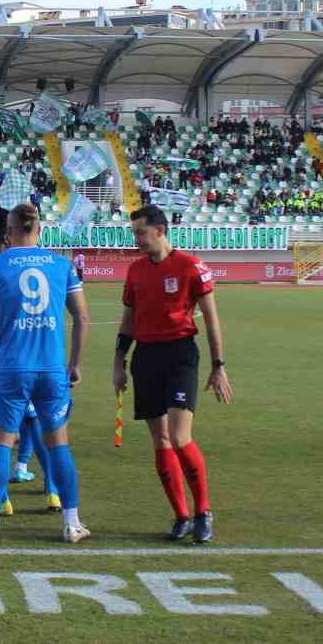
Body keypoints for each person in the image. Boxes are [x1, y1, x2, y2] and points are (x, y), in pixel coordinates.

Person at [0, 203, 90, 545]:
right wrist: (74, 363)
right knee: (59, 444)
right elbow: (83, 318)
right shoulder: (62, 265)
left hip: (10, 367)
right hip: (51, 368)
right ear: (40, 230)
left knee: (0, 443)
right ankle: (72, 523)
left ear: (8, 231)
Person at [113, 205, 231, 544]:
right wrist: (118, 362)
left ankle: (203, 511)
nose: (136, 239)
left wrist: (218, 365)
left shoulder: (191, 266)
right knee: (160, 441)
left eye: (140, 233)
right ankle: (181, 515)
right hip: (145, 357)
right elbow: (128, 320)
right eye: (134, 233)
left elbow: (210, 318)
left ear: (160, 231)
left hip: (180, 355)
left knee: (180, 438)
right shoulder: (135, 271)